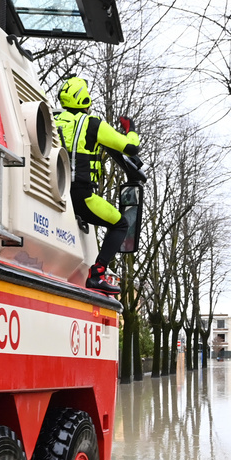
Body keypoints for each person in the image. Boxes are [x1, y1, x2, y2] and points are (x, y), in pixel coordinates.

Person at [54, 76, 141, 295]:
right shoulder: (91, 124)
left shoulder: (52, 119)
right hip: (81, 196)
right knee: (120, 223)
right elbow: (131, 147)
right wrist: (130, 129)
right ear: (84, 99)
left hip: (53, 190)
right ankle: (98, 273)